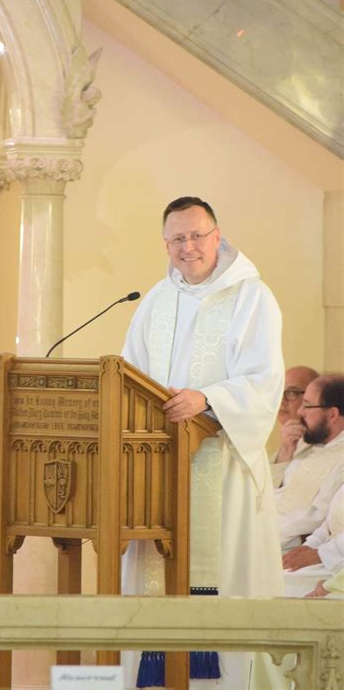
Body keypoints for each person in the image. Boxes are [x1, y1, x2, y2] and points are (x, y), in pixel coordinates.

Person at [121, 196, 285, 688]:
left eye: (196, 235)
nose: (188, 247)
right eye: (177, 239)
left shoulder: (251, 296)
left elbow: (263, 380)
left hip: (221, 460)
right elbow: (130, 374)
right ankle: (156, 677)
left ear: (217, 235)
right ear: (165, 244)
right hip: (158, 467)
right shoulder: (155, 299)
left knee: (221, 577)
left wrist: (207, 398)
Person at [273, 374, 344, 552]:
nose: (299, 412)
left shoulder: (340, 458)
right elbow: (277, 491)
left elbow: (317, 516)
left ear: (332, 414)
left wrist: (262, 530)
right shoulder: (310, 442)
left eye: (307, 404)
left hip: (284, 541)